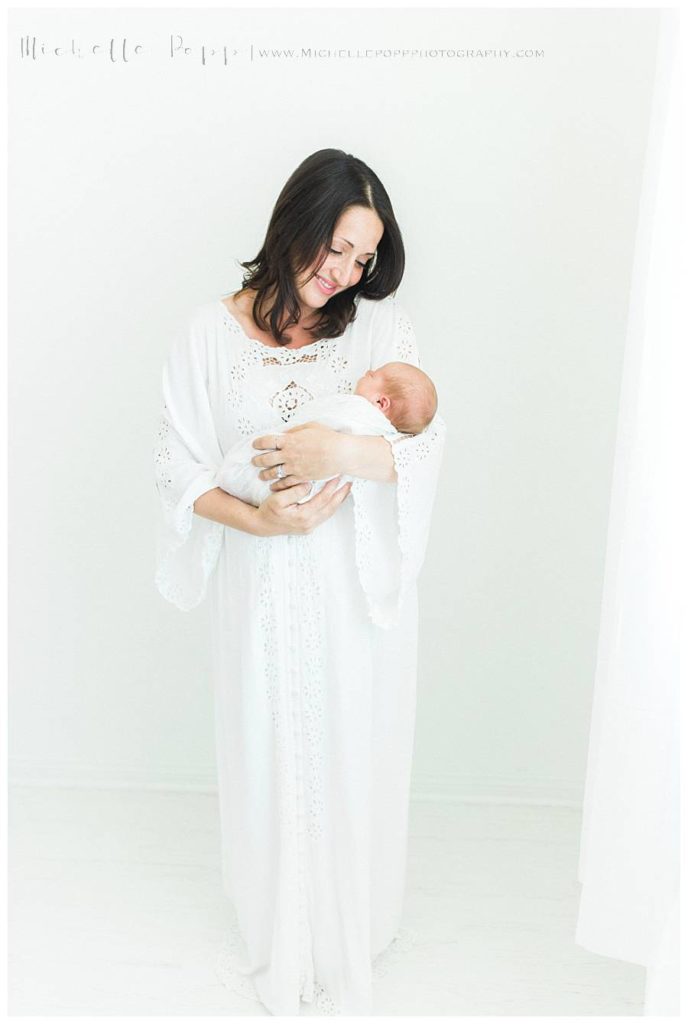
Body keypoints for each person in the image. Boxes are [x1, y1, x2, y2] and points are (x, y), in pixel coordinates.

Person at [153, 148, 446, 1015]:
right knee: (270, 741)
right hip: (262, 585)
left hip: (352, 592)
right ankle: (279, 913)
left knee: (353, 736)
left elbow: (422, 448)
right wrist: (262, 520)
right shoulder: (206, 335)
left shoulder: (381, 335)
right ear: (296, 223)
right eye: (338, 247)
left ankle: (357, 914)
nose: (347, 271)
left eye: (363, 257)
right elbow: (179, 469)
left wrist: (342, 451)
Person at [215, 360, 438, 508]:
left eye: (372, 375)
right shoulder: (378, 434)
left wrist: (336, 451)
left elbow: (418, 457)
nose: (365, 374)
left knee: (251, 465)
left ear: (381, 402)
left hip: (291, 479)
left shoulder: (357, 414)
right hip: (299, 496)